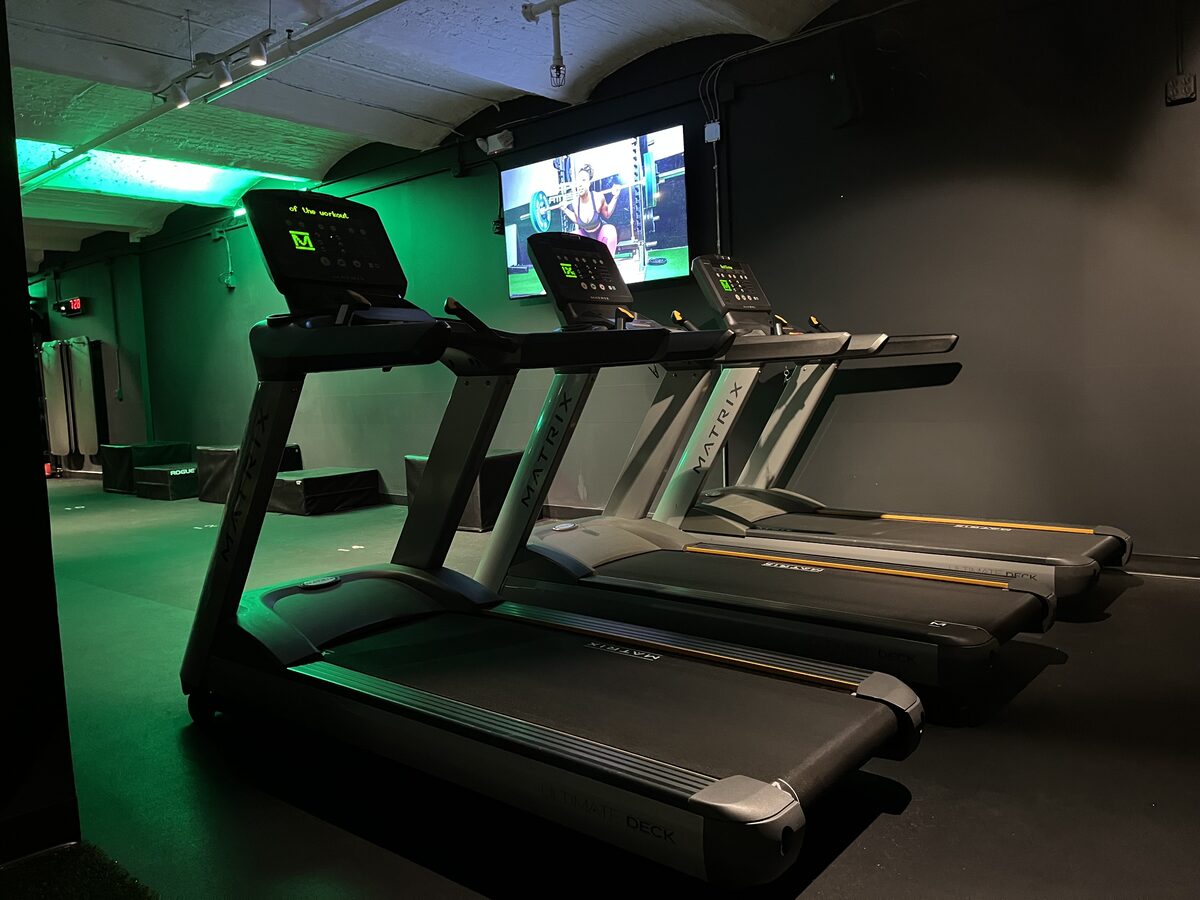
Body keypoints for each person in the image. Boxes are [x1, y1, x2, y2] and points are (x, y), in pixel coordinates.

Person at [560, 163, 624, 255]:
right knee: (569, 239)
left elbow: (607, 214)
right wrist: (565, 209)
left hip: (600, 233)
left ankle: (610, 264)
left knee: (610, 231)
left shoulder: (598, 198)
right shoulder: (575, 202)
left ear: (588, 183)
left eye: (583, 180)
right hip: (585, 236)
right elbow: (577, 219)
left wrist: (615, 197)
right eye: (578, 181)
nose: (580, 184)